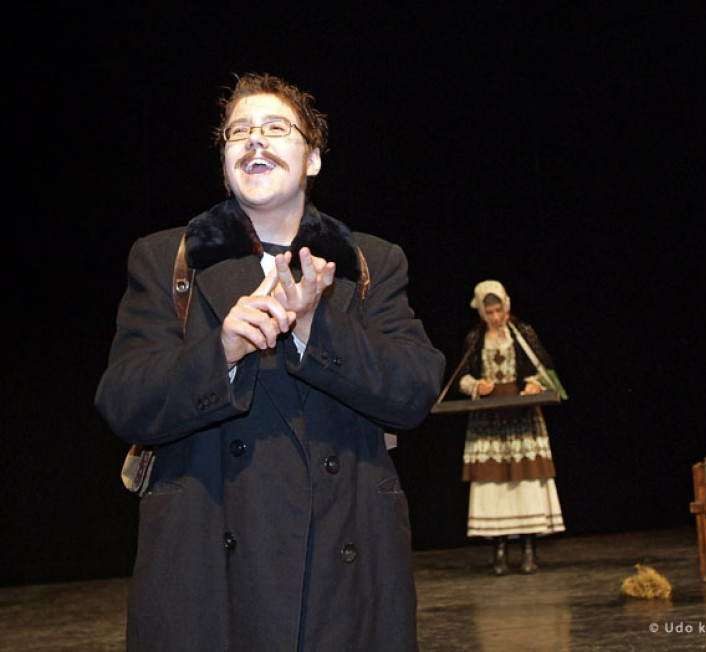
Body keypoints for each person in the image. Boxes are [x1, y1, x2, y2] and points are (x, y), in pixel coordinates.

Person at [95, 72, 445, 651]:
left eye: (276, 128)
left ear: (312, 158)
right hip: (207, 574)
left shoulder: (370, 262)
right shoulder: (166, 260)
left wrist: (314, 325)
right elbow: (124, 402)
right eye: (239, 132)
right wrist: (222, 351)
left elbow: (413, 391)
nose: (255, 140)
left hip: (345, 577)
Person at [455, 280, 565, 575]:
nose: (495, 317)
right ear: (481, 312)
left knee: (526, 483)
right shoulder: (475, 340)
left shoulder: (523, 334)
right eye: (488, 312)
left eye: (498, 310)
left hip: (522, 417)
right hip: (489, 421)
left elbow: (543, 367)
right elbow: (462, 377)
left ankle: (529, 549)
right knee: (494, 485)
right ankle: (499, 552)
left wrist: (533, 383)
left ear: (507, 306)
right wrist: (478, 385)